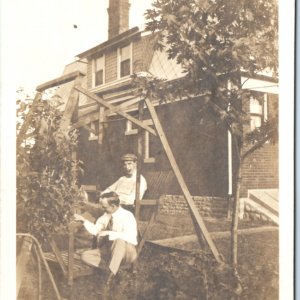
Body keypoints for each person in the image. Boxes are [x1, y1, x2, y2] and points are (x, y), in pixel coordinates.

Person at [74, 192, 138, 293]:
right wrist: (83, 220)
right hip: (109, 251)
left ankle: (108, 280)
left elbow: (132, 238)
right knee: (85, 256)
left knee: (119, 242)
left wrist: (110, 233)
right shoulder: (106, 215)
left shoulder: (127, 216)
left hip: (127, 252)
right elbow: (96, 230)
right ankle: (111, 269)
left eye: (104, 207)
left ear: (113, 206)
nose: (102, 209)